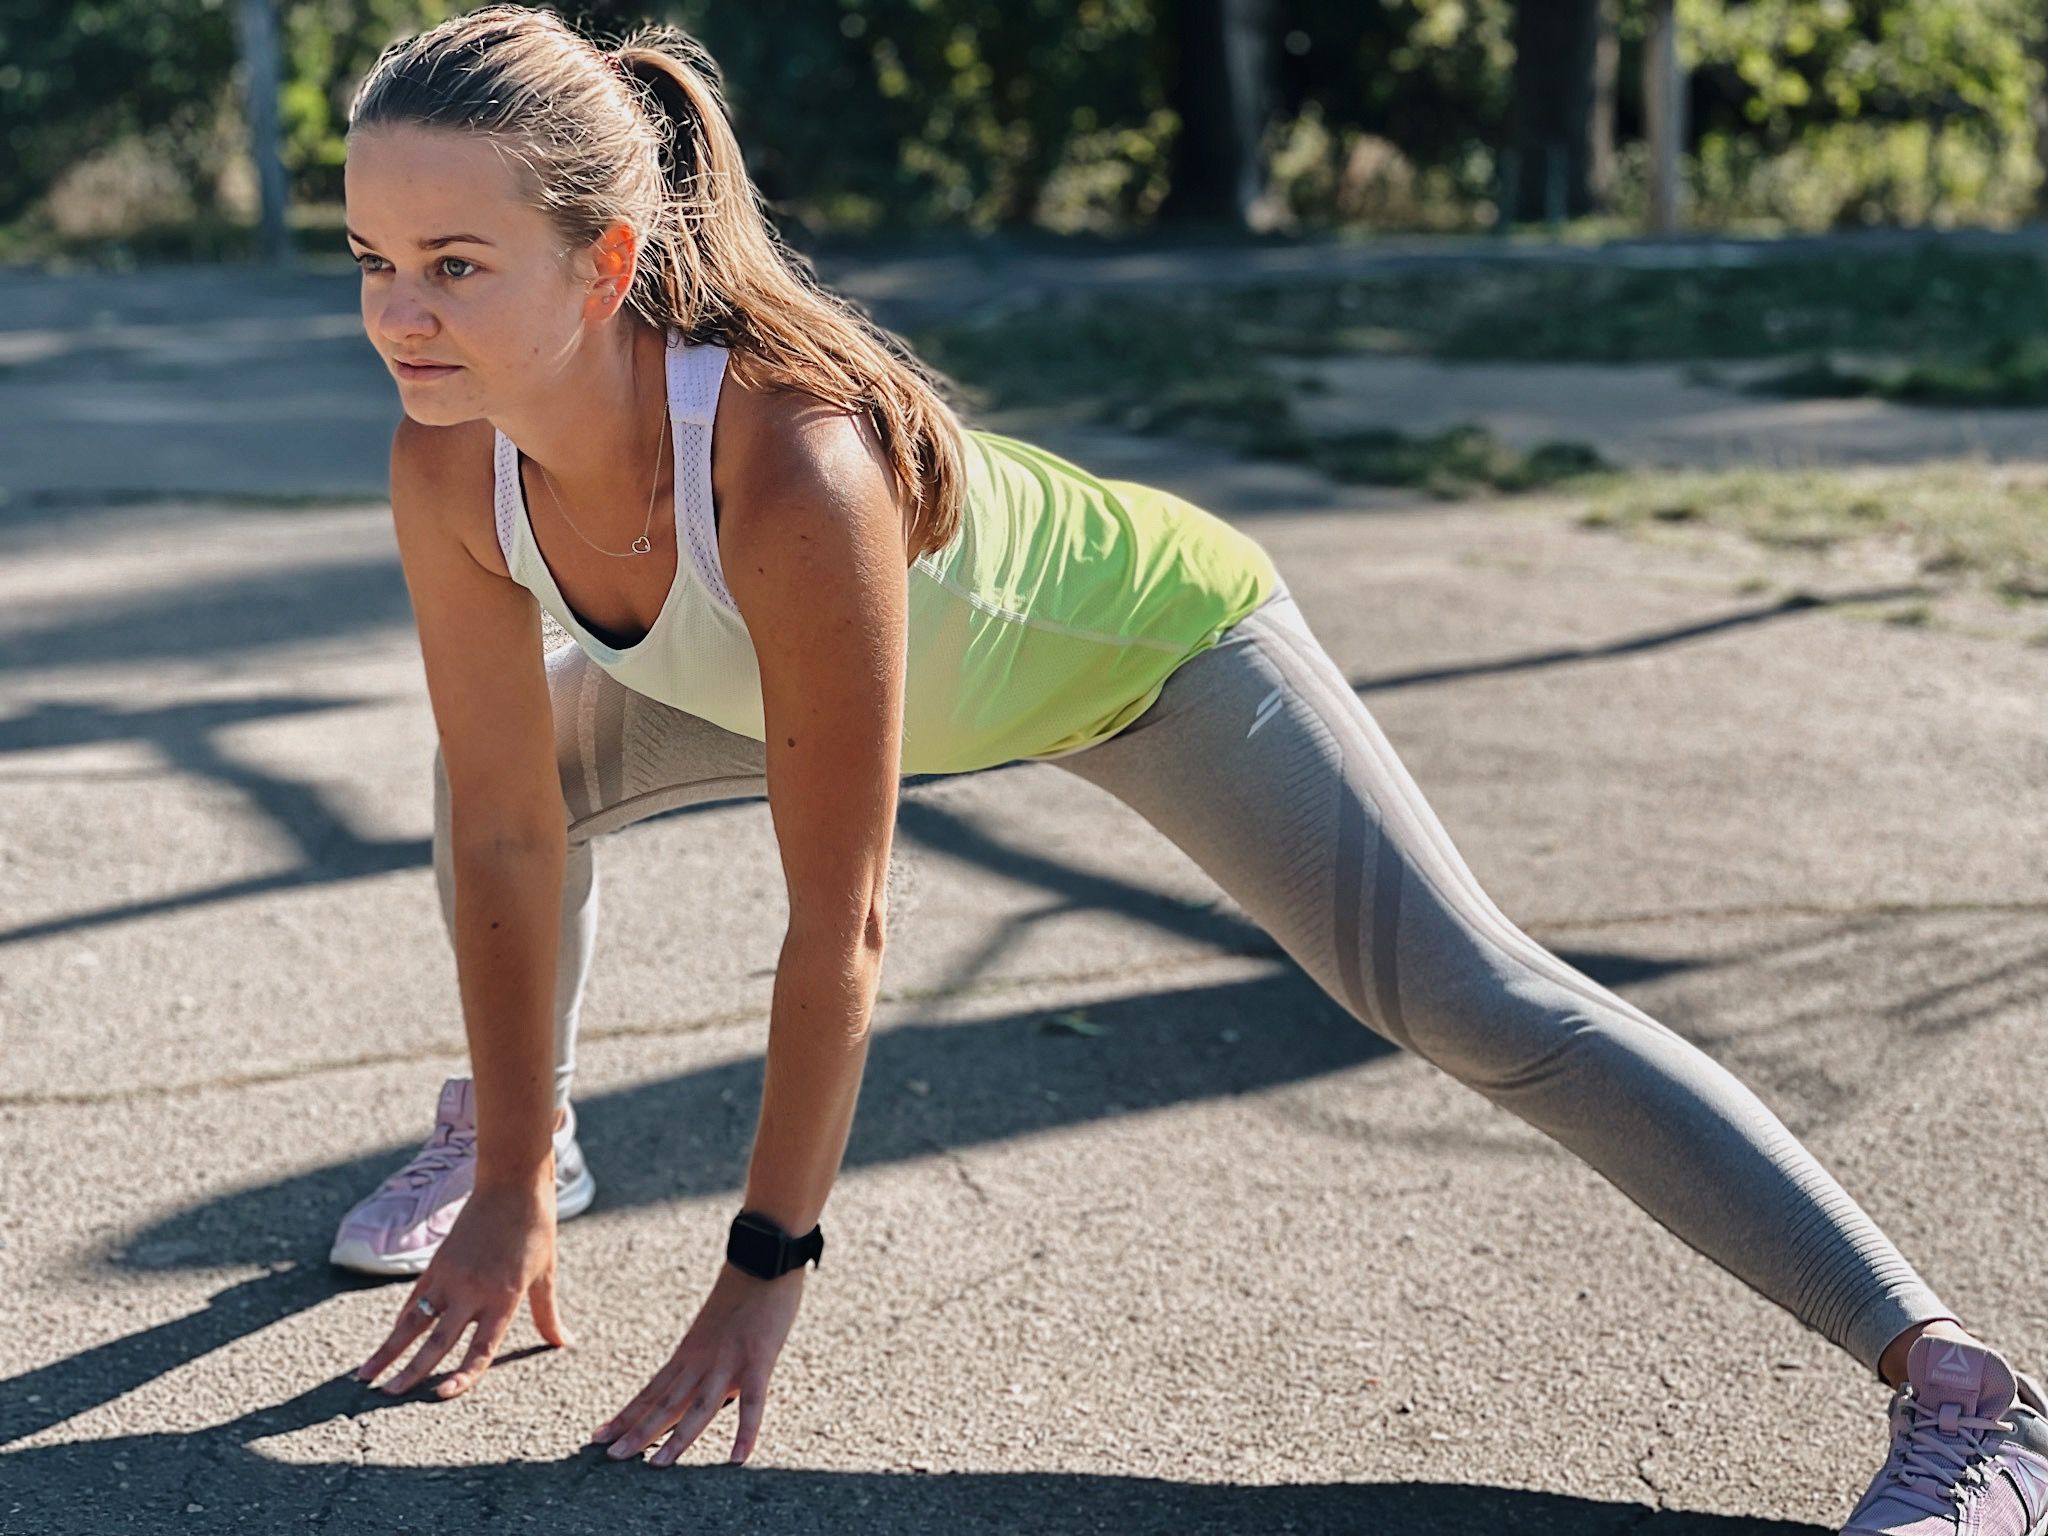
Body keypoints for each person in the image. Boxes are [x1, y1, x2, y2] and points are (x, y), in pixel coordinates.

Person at [331, 5, 2045, 1526]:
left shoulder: (791, 467)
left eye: (456, 264)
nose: (401, 314)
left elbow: (838, 926)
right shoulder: (447, 463)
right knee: (512, 778)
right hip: (781, 671)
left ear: (608, 265)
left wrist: (764, 1266)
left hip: (1151, 656)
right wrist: (508, 1181)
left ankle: (1968, 1400)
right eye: (370, 259)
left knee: (1476, 1002)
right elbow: (505, 832)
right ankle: (523, 1138)